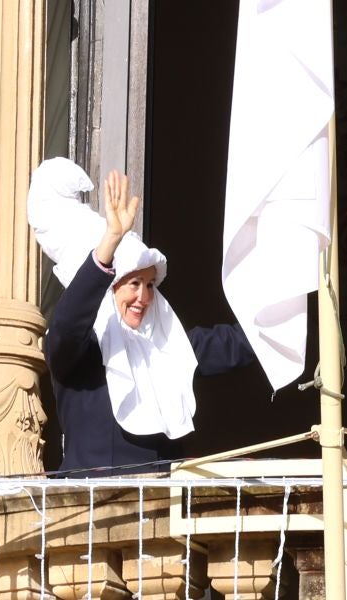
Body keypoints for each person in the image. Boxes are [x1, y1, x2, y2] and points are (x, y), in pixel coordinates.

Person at [28, 159, 256, 475]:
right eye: (134, 283)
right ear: (109, 286)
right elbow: (67, 325)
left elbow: (234, 344)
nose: (144, 297)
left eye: (150, 285)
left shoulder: (165, 345)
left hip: (163, 511)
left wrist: (287, 301)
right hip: (95, 513)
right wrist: (109, 243)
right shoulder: (81, 351)